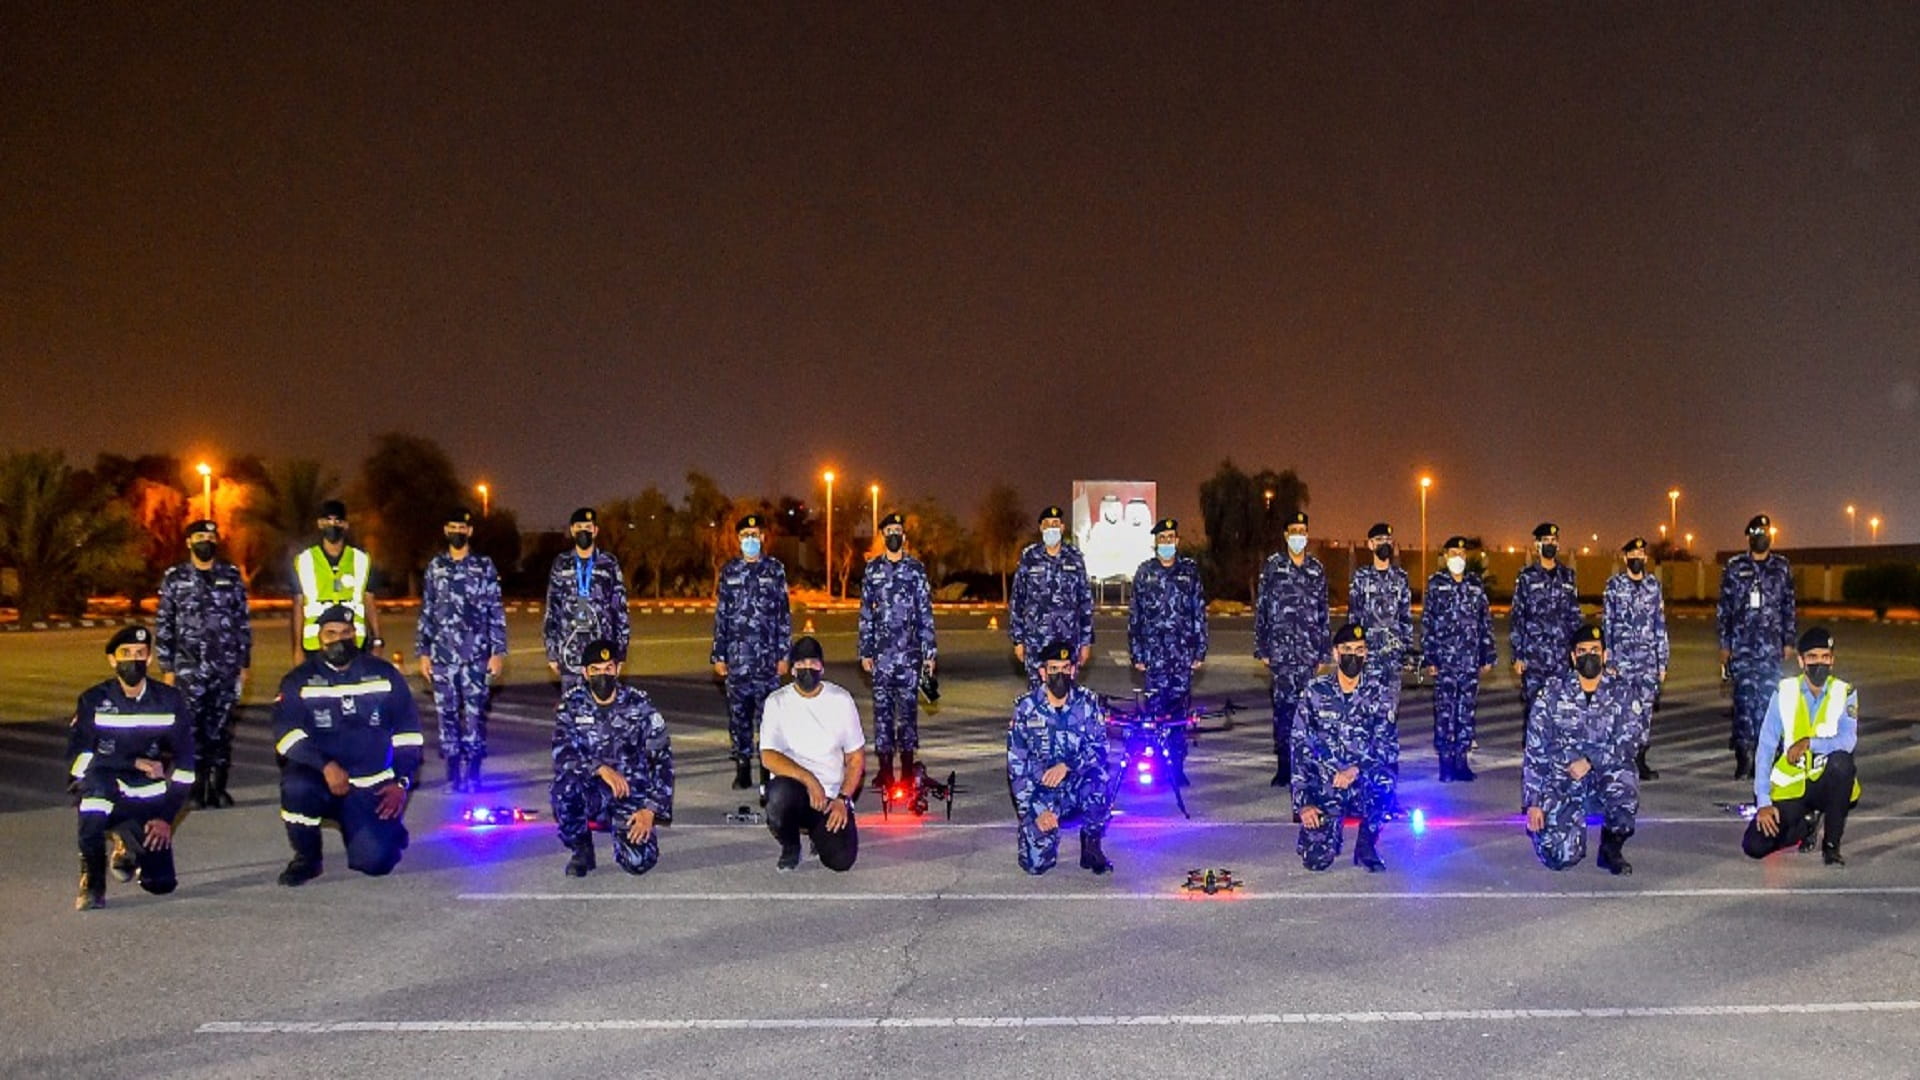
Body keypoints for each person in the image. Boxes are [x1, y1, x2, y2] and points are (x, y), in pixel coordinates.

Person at [272, 605, 423, 885]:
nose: (338, 640)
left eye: (345, 633)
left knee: (376, 863)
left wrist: (401, 783)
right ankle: (307, 858)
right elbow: (285, 734)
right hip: (322, 781)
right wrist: (325, 766)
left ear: (355, 635)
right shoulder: (299, 680)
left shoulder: (384, 674)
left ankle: (385, 830)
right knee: (296, 787)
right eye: (330, 633)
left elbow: (408, 733)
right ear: (319, 638)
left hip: (370, 786)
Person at [68, 626, 194, 910]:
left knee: (160, 884)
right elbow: (78, 757)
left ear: (149, 659)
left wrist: (166, 817)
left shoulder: (169, 700)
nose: (133, 660)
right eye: (125, 654)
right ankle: (92, 882)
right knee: (93, 805)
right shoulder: (93, 700)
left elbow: (186, 764)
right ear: (112, 660)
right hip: (104, 784)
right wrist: (130, 762)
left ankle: (128, 843)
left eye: (140, 654)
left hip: (147, 795)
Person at [1522, 625, 1645, 875]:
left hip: (1603, 774)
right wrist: (1533, 802)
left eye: (1595, 650)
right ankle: (1556, 828)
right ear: (1573, 657)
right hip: (1563, 778)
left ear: (1605, 655)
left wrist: (1590, 760)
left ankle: (1611, 849)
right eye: (1582, 651)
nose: (1589, 656)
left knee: (1625, 787)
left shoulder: (1622, 692)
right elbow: (1535, 748)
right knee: (1561, 857)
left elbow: (1632, 740)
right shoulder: (1552, 693)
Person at [550, 640, 674, 876]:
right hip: (593, 787)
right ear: (585, 673)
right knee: (564, 789)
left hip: (631, 790)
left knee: (638, 863)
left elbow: (663, 761)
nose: (602, 675)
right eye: (595, 670)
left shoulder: (640, 705)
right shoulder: (572, 705)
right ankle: (581, 848)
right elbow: (562, 752)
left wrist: (650, 810)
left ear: (618, 669)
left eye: (608, 668)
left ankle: (621, 832)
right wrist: (600, 769)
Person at [153, 518, 251, 809]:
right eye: (198, 536)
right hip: (188, 669)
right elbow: (165, 623)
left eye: (210, 536)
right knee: (190, 729)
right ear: (188, 542)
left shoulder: (230, 576)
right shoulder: (175, 578)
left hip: (225, 667)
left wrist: (244, 664)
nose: (205, 541)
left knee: (220, 729)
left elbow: (242, 621)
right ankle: (194, 789)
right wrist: (167, 668)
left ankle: (217, 787)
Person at [1742, 627, 1858, 867]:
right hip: (1792, 787)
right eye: (1813, 657)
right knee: (1754, 846)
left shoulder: (1845, 692)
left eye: (1825, 657)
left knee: (1842, 763)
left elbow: (1848, 741)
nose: (1819, 663)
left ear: (1832, 660)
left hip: (1826, 782)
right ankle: (1806, 825)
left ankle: (1831, 845)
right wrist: (1763, 802)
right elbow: (1765, 746)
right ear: (1801, 660)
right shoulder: (1784, 692)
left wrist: (1809, 743)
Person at [1290, 623, 1396, 872]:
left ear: (1366, 654)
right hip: (1326, 783)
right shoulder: (1315, 692)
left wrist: (1355, 770)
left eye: (1360, 650)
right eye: (1347, 649)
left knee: (1385, 781)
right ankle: (1328, 830)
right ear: (1336, 654)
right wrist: (1303, 802)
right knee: (1316, 861)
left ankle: (1366, 844)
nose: (1353, 655)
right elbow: (1299, 744)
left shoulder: (1378, 693)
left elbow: (1385, 746)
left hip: (1360, 779)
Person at [417, 507, 508, 793]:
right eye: (452, 527)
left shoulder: (484, 566)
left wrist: (498, 651)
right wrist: (424, 651)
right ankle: (452, 773)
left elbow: (495, 609)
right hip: (443, 656)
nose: (457, 532)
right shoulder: (436, 567)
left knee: (474, 715)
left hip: (476, 656)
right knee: (446, 715)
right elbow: (427, 610)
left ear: (470, 531)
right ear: (446, 530)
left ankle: (474, 772)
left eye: (462, 527)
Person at [1008, 641, 1114, 875]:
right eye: (1053, 669)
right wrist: (1033, 810)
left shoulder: (1087, 703)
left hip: (1076, 784)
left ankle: (1091, 844)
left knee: (1099, 782)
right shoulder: (1026, 709)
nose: (1060, 674)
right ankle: (1041, 835)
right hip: (1041, 791)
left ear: (1074, 670)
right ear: (1042, 672)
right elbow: (1017, 767)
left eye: (1066, 668)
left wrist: (1068, 765)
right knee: (1036, 866)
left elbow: (1101, 749)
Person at [759, 637, 863, 872]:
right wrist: (808, 779)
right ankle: (791, 846)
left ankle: (819, 835)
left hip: (830, 797)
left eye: (813, 663)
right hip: (795, 790)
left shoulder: (841, 701)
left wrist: (843, 799)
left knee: (841, 860)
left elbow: (855, 758)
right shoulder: (777, 702)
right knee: (778, 796)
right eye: (801, 664)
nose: (808, 669)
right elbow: (768, 756)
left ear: (822, 667)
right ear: (792, 669)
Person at [857, 511, 937, 791]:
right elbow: (866, 614)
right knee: (882, 714)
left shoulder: (915, 570)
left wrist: (929, 653)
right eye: (888, 530)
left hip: (909, 656)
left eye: (898, 530)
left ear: (904, 536)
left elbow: (925, 613)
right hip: (881, 657)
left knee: (907, 715)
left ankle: (905, 768)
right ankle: (885, 771)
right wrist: (865, 650)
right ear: (882, 535)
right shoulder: (872, 570)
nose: (893, 535)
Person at [713, 513, 792, 790]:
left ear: (763, 537)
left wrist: (784, 655)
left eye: (754, 535)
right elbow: (721, 615)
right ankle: (743, 767)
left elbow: (784, 615)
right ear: (738, 540)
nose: (750, 540)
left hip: (767, 661)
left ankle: (766, 769)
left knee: (769, 718)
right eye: (745, 536)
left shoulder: (775, 570)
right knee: (738, 717)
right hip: (736, 661)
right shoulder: (730, 572)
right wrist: (719, 655)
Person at [1127, 517, 1207, 783]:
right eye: (1162, 539)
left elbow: (1199, 611)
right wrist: (1136, 653)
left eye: (1171, 538)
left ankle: (1177, 767)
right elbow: (1135, 615)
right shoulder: (1144, 572)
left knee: (1179, 715)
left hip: (1182, 655)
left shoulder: (1189, 571)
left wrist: (1200, 650)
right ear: (1155, 543)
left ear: (1177, 541)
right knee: (1154, 713)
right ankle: (1157, 766)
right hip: (1154, 657)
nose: (1166, 543)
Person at [1254, 510, 1330, 786]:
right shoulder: (1273, 568)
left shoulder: (1316, 569)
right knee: (1284, 710)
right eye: (1293, 531)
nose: (1298, 536)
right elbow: (1262, 609)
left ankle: (1306, 765)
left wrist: (1323, 651)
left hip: (1309, 653)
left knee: (1309, 710)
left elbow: (1323, 613)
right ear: (1285, 535)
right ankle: (1285, 765)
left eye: (1302, 531)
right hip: (1281, 654)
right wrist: (1262, 647)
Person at [1717, 514, 1797, 779]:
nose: (1761, 535)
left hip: (1770, 649)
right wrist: (1725, 645)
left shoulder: (1782, 567)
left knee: (1769, 703)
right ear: (1748, 536)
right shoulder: (1734, 566)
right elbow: (1724, 609)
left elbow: (1789, 606)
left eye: (1765, 530)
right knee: (1743, 703)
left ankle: (1769, 756)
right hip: (1742, 648)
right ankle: (1744, 756)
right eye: (1756, 531)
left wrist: (1789, 640)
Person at [1420, 537, 1496, 781]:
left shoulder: (1475, 585)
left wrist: (1488, 654)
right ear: (1445, 555)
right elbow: (1428, 623)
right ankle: (1445, 762)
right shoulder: (1436, 584)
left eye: (1462, 553)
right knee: (1444, 713)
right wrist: (1430, 657)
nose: (1459, 558)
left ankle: (1461, 761)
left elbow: (1485, 621)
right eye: (1454, 552)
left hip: (1469, 660)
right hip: (1444, 661)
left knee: (1466, 712)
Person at [544, 507, 629, 697]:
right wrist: (551, 651)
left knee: (602, 707)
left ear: (596, 530)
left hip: (602, 654)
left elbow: (620, 609)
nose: (584, 531)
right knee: (572, 709)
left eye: (588, 527)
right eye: (579, 527)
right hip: (570, 650)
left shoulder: (609, 563)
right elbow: (552, 608)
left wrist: (621, 652)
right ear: (572, 530)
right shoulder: (561, 563)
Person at [1603, 537, 1669, 780]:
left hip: (1647, 663)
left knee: (1644, 714)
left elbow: (1659, 624)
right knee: (1621, 713)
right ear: (1625, 558)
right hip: (1621, 662)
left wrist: (1662, 661)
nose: (1638, 558)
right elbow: (1607, 623)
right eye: (1633, 554)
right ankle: (1621, 762)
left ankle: (1640, 760)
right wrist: (1607, 660)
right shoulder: (1614, 586)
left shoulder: (1653, 586)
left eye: (1642, 554)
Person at [1008, 505, 1094, 682]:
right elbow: (1017, 599)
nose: (1051, 529)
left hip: (1068, 639)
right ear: (1041, 528)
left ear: (1062, 528)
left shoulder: (1075, 558)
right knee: (1038, 692)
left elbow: (1085, 602)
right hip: (1036, 640)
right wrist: (1018, 640)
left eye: (1055, 524)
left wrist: (1086, 642)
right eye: (1047, 525)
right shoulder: (1029, 557)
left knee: (1066, 691)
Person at [290, 499, 383, 663]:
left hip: (353, 641)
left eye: (338, 520)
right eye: (328, 520)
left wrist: (377, 639)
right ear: (320, 523)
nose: (332, 524)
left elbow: (369, 601)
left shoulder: (361, 560)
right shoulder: (304, 560)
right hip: (315, 644)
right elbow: (298, 605)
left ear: (345, 525)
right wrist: (297, 649)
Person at [1510, 521, 1582, 716]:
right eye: (1545, 540)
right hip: (1534, 655)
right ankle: (1533, 746)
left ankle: (1555, 747)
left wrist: (1578, 652)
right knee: (1534, 705)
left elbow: (1575, 616)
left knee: (1560, 706)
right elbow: (1518, 616)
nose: (1550, 544)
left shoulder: (1568, 576)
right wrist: (1518, 655)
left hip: (1562, 655)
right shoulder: (1526, 577)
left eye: (1553, 540)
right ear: (1537, 545)